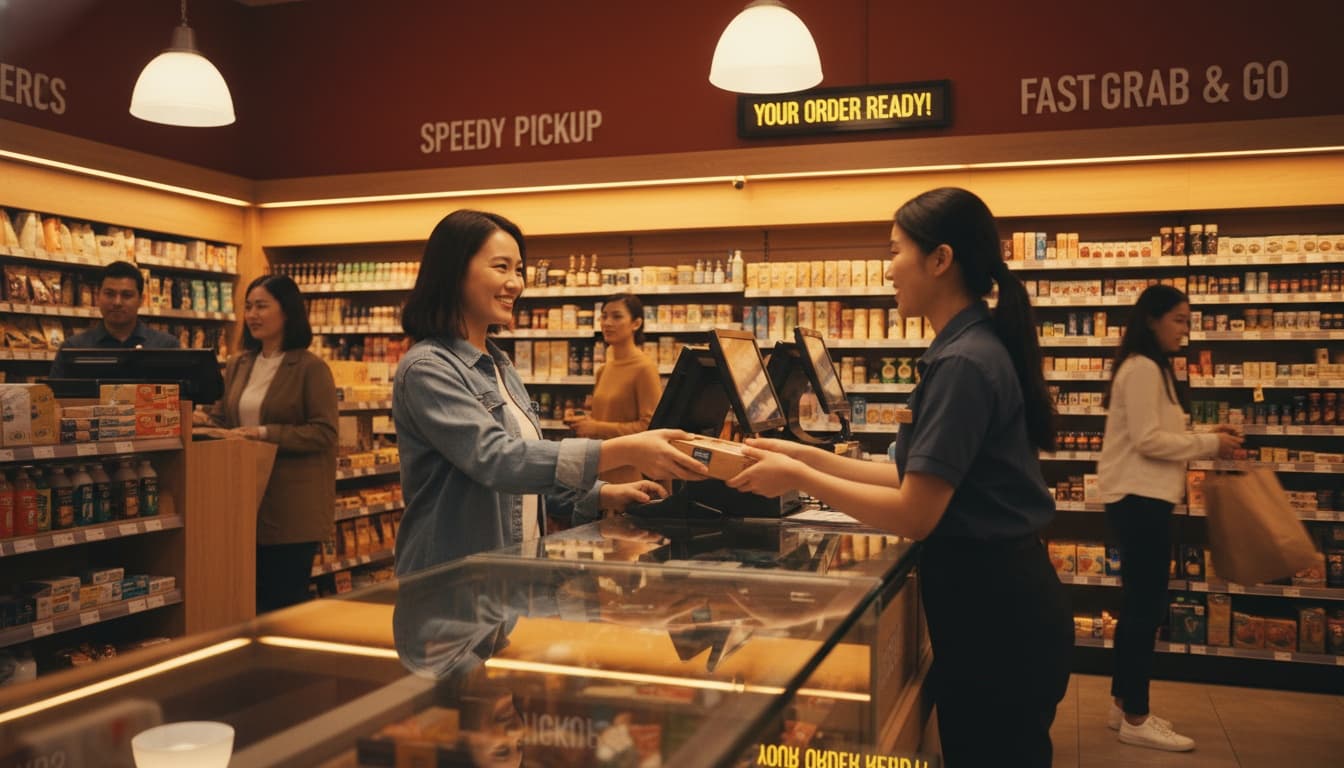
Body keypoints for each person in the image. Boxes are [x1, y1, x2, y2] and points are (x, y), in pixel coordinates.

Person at [725, 187, 1073, 767]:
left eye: (894, 252)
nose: (888, 270)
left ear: (940, 260)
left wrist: (798, 476)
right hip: (999, 607)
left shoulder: (963, 363)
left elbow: (916, 512)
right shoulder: (968, 348)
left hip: (997, 619)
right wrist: (799, 455)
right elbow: (907, 475)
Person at [392, 209, 707, 575]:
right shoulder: (428, 369)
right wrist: (624, 448)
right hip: (450, 584)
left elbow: (523, 480)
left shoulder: (500, 366)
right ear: (454, 271)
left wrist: (603, 494)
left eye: (519, 270)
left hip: (504, 578)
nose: (515, 283)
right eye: (501, 267)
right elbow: (498, 460)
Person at [1097, 284, 1241, 752]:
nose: (1186, 328)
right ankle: (1138, 717)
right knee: (1145, 610)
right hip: (1140, 499)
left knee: (1137, 607)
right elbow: (1148, 440)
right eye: (1179, 319)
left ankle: (1123, 706)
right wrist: (1209, 445)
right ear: (1152, 320)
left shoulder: (1152, 368)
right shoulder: (1141, 368)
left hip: (1144, 497)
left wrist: (1203, 433)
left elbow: (1158, 432)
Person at [199, 274, 338, 613]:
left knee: (283, 602)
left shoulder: (310, 368)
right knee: (246, 599)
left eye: (262, 306)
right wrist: (199, 420)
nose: (253, 315)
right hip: (243, 499)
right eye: (248, 306)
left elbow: (324, 432)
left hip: (290, 508)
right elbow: (225, 419)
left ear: (287, 312)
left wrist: (264, 433)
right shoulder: (239, 364)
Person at [565, 292, 662, 484]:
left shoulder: (644, 368)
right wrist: (584, 422)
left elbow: (650, 427)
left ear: (636, 323)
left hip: (631, 476)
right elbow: (606, 418)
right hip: (602, 470)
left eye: (617, 316)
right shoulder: (604, 369)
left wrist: (596, 427)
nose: (607, 323)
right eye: (604, 316)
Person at [50, 260, 178, 377]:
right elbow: (55, 399)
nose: (117, 302)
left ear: (141, 300)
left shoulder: (166, 347)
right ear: (98, 296)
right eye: (109, 294)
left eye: (126, 295)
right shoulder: (73, 348)